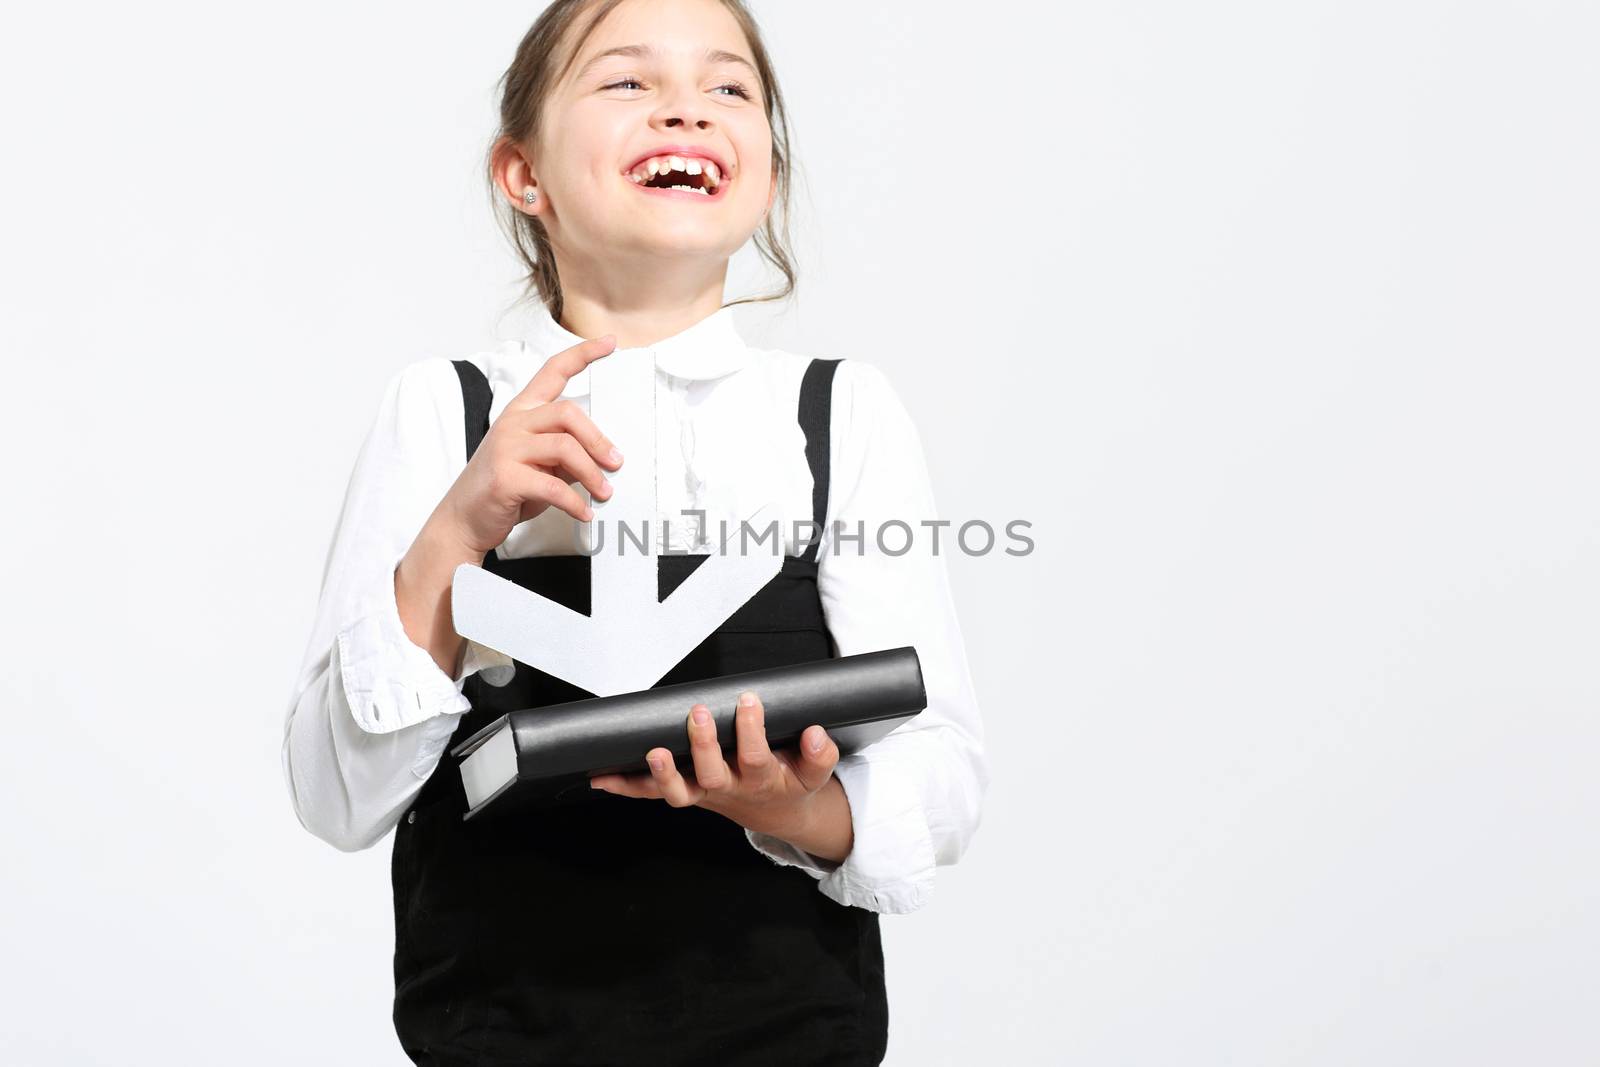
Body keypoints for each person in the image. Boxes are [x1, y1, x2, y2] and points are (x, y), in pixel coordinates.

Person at [280, 0, 988, 1062]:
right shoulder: (443, 410)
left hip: (790, 1028)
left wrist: (795, 808)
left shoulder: (841, 416)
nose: (686, 111)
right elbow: (337, 793)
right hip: (500, 1029)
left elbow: (945, 774)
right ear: (524, 175)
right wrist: (457, 529)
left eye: (728, 88)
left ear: (769, 179)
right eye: (626, 81)